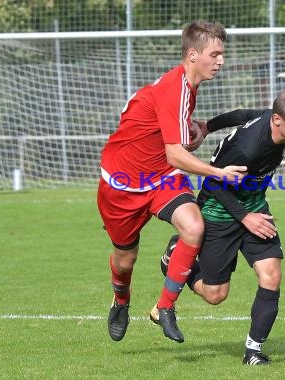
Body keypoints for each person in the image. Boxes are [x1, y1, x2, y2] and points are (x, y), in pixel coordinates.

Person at [97, 20, 247, 344]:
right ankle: (121, 301)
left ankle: (164, 308)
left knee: (193, 227)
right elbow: (176, 154)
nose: (221, 61)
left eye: (222, 54)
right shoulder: (176, 87)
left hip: (161, 177)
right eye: (215, 54)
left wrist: (199, 128)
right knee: (125, 262)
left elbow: (168, 140)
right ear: (193, 54)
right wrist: (218, 173)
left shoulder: (187, 86)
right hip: (122, 184)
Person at [155, 90, 285, 365]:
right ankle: (174, 257)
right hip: (220, 212)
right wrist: (245, 217)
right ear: (277, 120)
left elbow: (241, 115)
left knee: (271, 275)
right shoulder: (249, 147)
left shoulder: (268, 120)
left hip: (253, 207)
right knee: (216, 295)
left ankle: (253, 350)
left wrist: (208, 126)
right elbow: (213, 183)